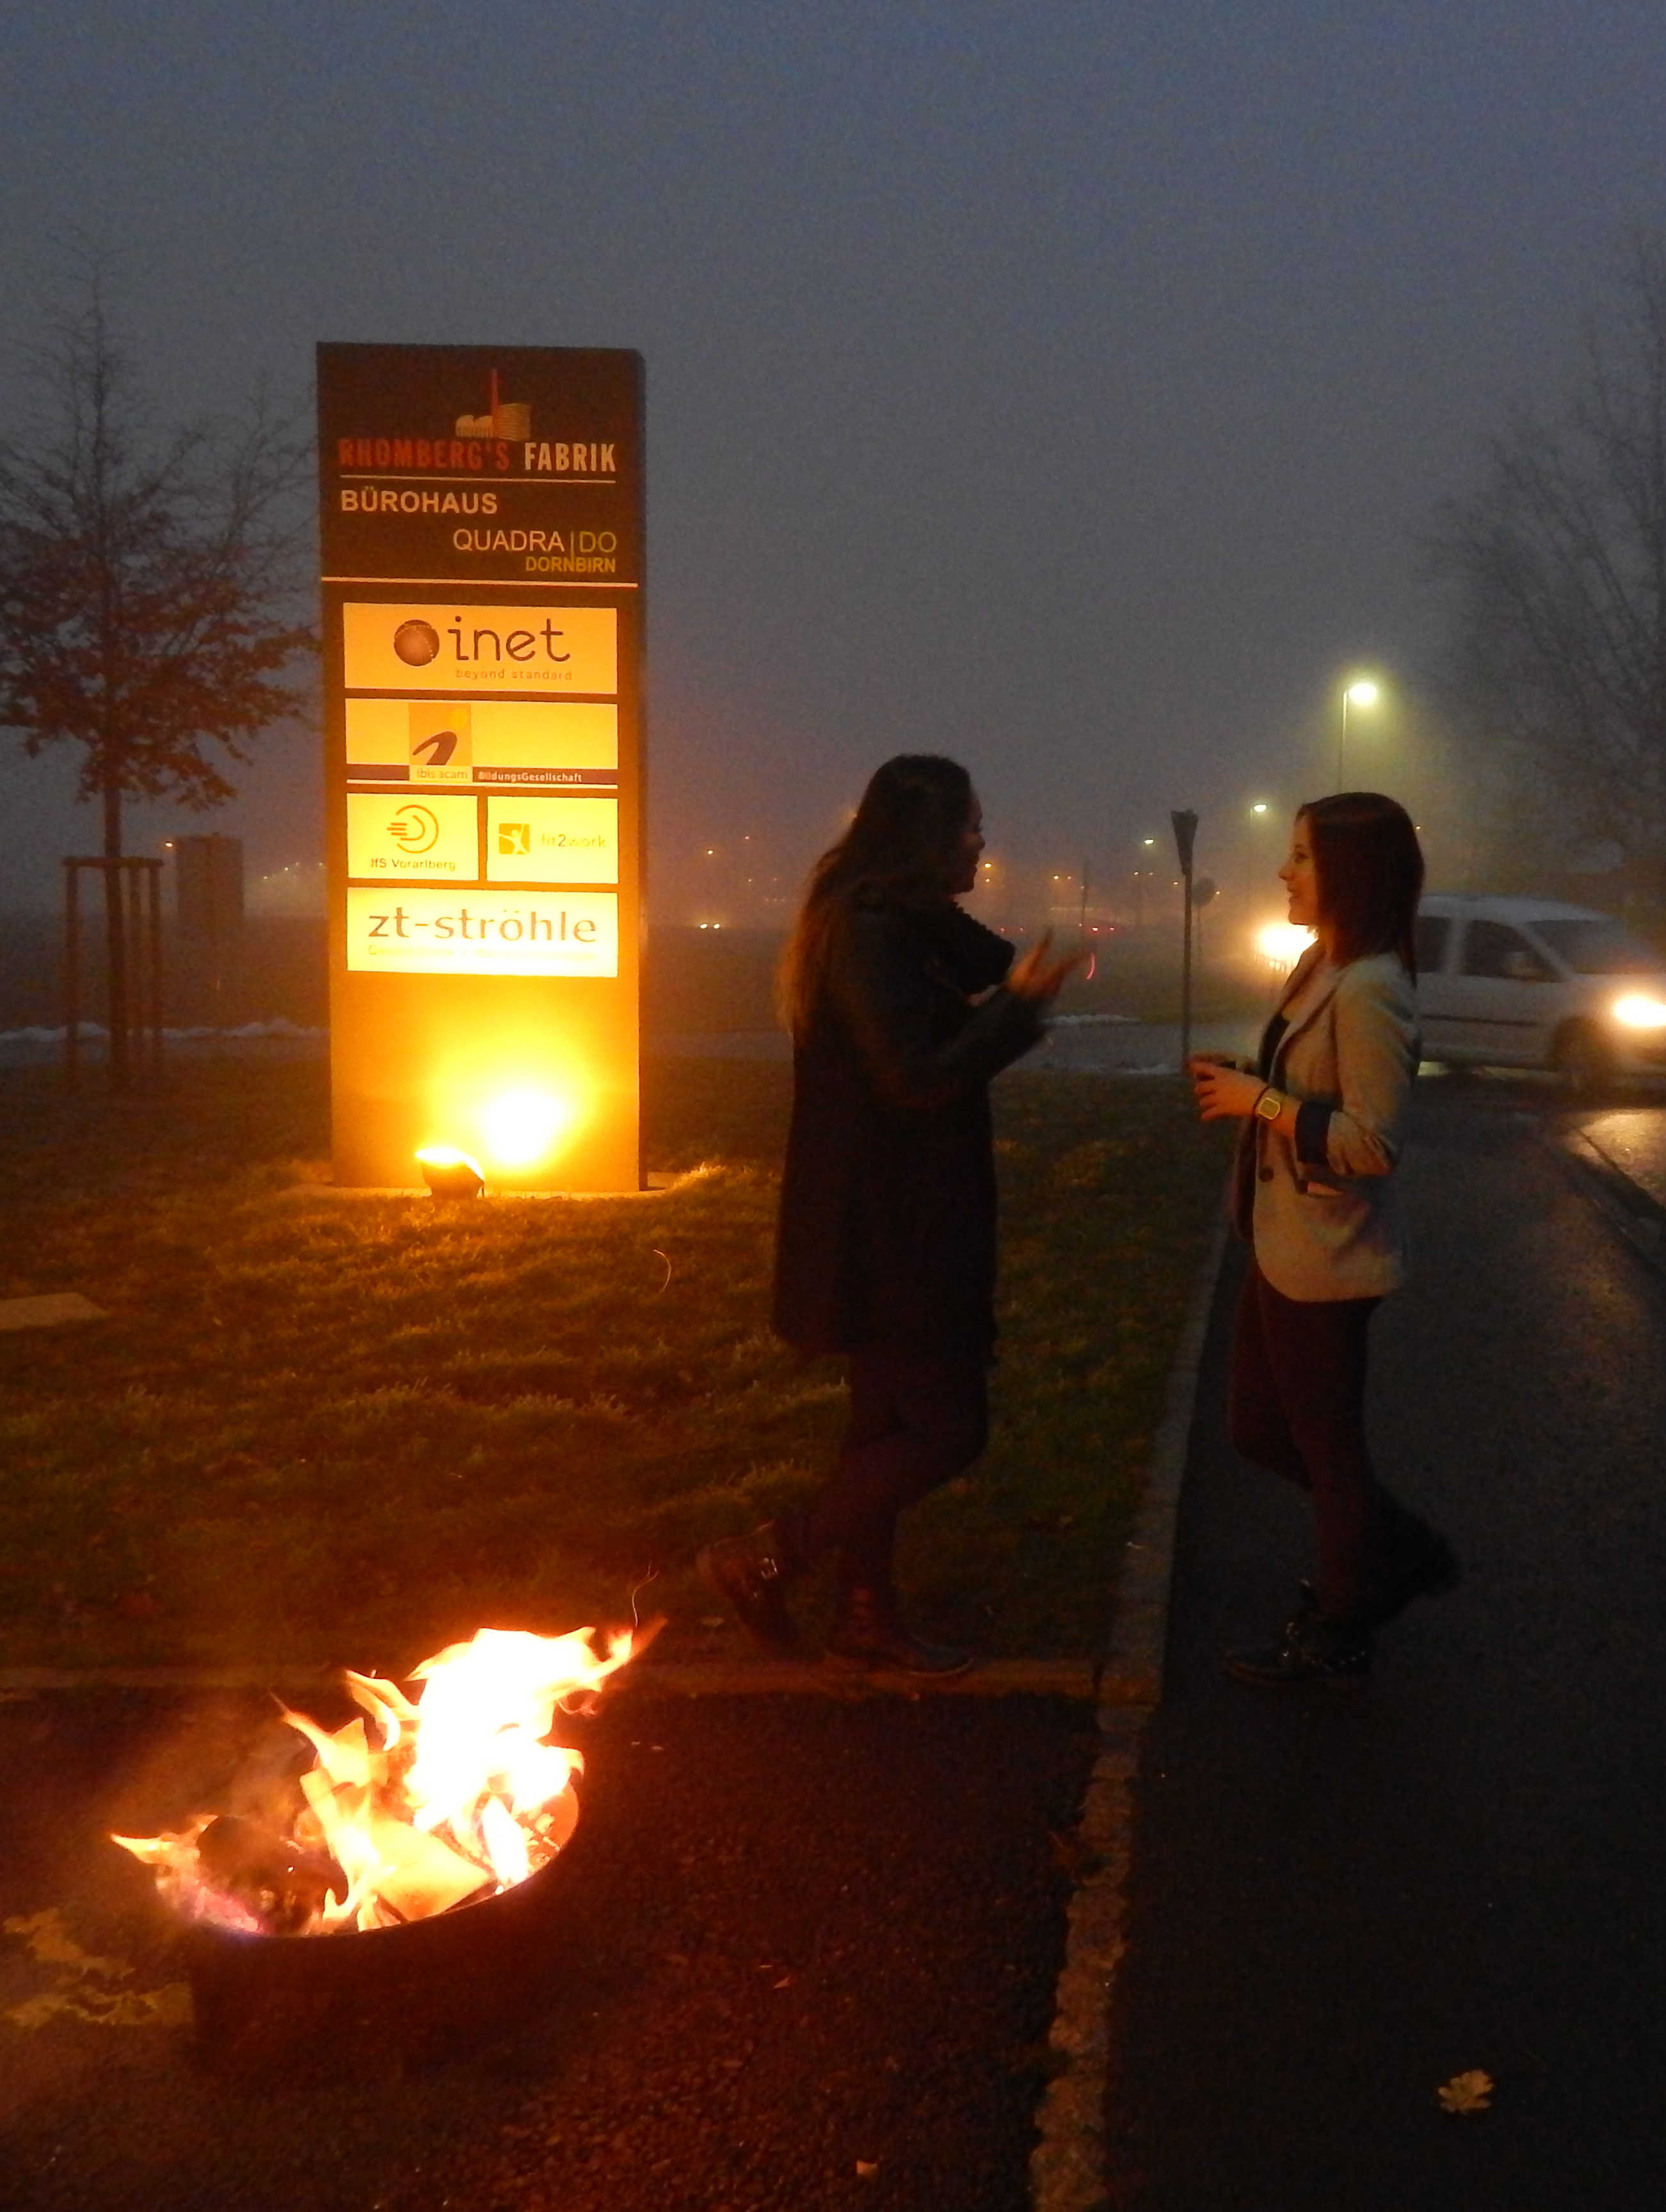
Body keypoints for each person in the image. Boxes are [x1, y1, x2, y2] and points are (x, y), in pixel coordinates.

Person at [698, 754, 1077, 1674]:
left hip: (895, 1217)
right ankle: (765, 1555)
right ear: (923, 838)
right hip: (893, 1230)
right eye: (968, 828)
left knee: (880, 1428)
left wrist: (1011, 974)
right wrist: (1018, 1009)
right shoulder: (870, 931)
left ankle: (866, 1616)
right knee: (950, 1428)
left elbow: (978, 962)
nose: (982, 841)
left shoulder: (906, 923)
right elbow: (912, 1077)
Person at [1188, 790, 1459, 1685]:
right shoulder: (1321, 965)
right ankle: (1394, 1548)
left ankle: (1343, 1624)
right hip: (1282, 1239)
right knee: (1257, 1431)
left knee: (1327, 1451)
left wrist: (1260, 1102)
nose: (1282, 870)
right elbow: (1309, 1091)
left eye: (1300, 856)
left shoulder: (1375, 986)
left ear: (1348, 873)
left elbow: (1373, 1144)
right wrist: (1255, 1082)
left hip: (1330, 1255)